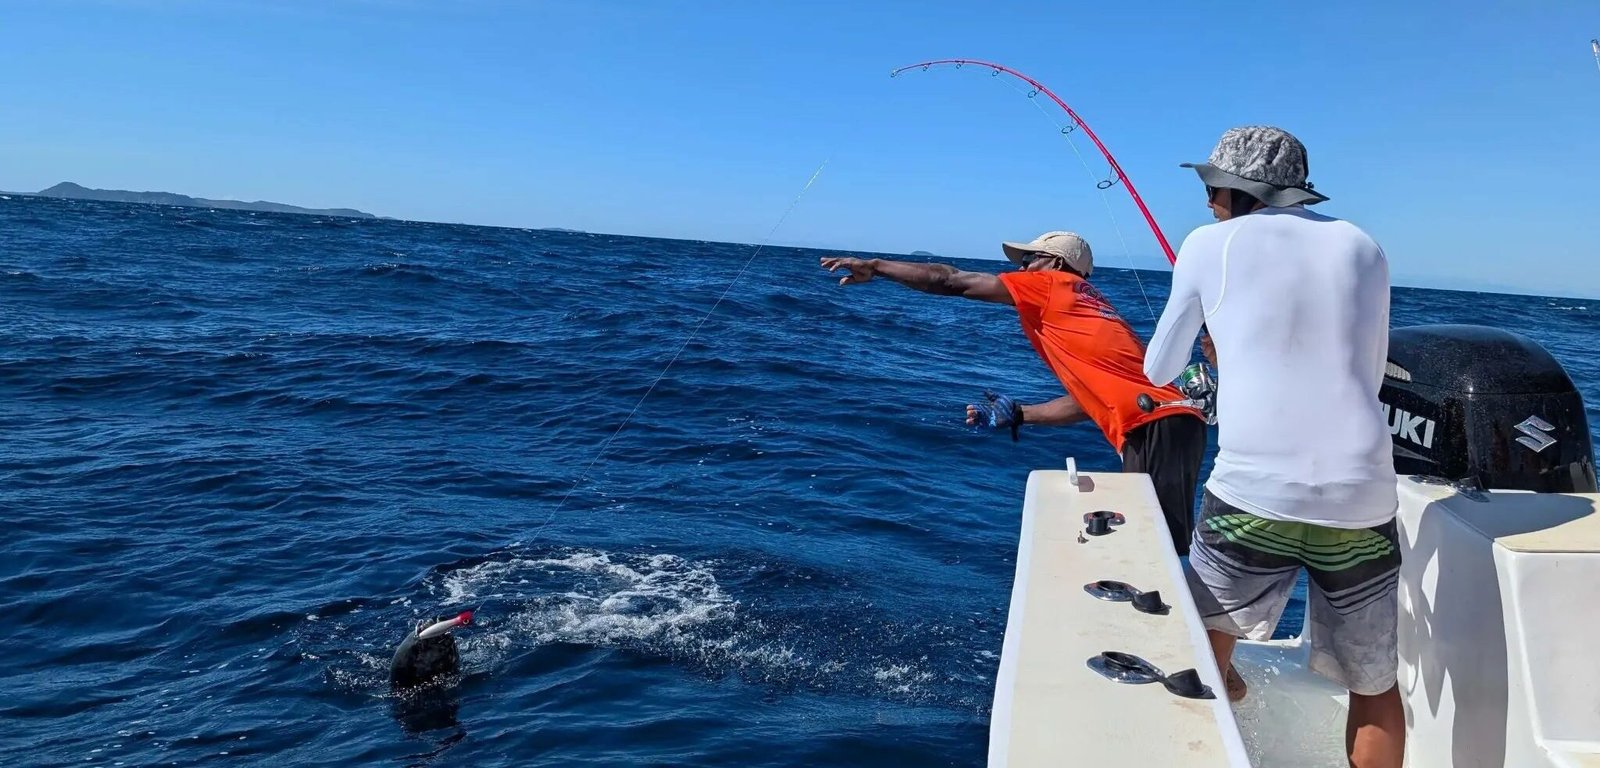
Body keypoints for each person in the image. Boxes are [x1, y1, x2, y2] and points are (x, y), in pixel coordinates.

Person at [1143, 125, 1403, 768]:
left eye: (1211, 187)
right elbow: (1366, 376)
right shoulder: (1364, 246)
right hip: (1360, 496)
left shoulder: (1207, 244)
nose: (1207, 203)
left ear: (1239, 189)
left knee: (1202, 654)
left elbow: (1157, 369)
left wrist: (1223, 351)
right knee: (1373, 686)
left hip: (1252, 494)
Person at [820, 231, 1207, 555]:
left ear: (1054, 264)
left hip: (1153, 425)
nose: (1020, 269)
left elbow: (950, 280)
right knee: (1163, 543)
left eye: (1030, 260)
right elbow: (1089, 402)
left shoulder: (1053, 285)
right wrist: (1021, 414)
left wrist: (876, 267)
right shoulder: (1093, 306)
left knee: (1158, 551)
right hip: (1173, 423)